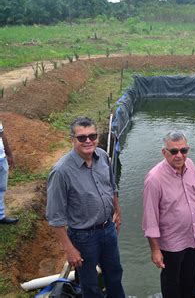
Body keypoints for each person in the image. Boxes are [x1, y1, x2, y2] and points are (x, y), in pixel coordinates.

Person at [46, 117, 125, 298]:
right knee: (89, 285)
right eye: (82, 137)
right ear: (72, 140)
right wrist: (69, 249)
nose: (88, 141)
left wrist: (117, 212)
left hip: (108, 229)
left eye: (92, 136)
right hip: (83, 238)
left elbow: (112, 188)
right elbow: (55, 216)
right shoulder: (61, 172)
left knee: (115, 275)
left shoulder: (103, 156)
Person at [142, 130, 195, 298]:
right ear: (164, 152)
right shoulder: (154, 179)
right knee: (171, 283)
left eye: (184, 150)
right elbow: (150, 219)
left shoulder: (191, 165)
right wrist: (155, 250)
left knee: (192, 276)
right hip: (171, 242)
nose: (179, 155)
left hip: (192, 234)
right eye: (174, 151)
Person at [0, 120, 18, 224]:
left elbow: (2, 135)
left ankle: (1, 216)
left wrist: (9, 154)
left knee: (1, 188)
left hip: (2, 159)